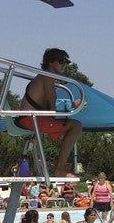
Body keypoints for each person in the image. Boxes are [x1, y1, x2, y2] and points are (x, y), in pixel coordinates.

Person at [16, 48, 83, 177]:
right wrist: (70, 107)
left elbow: (48, 105)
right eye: (61, 61)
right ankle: (60, 169)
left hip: (29, 119)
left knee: (70, 124)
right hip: (31, 120)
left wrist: (70, 106)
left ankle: (60, 168)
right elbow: (52, 108)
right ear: (51, 62)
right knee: (76, 126)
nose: (64, 64)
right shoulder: (47, 76)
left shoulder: (43, 77)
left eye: (66, 62)